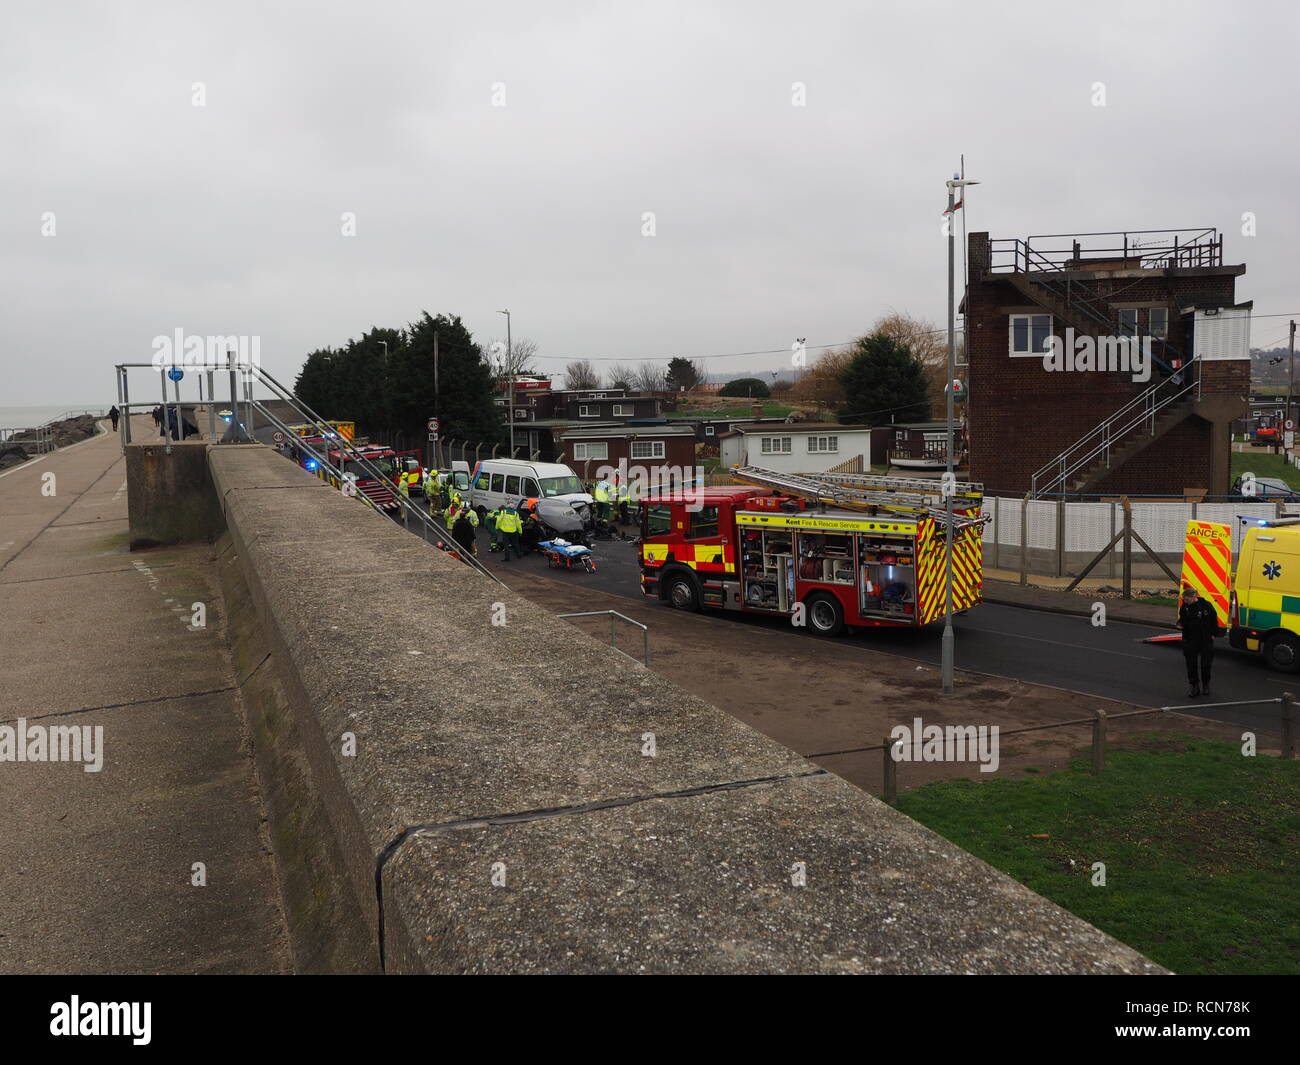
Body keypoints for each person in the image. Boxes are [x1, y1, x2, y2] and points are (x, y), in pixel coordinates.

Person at [1176, 586, 1221, 698]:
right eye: (1183, 600)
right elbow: (1182, 620)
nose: (1185, 602)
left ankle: (1206, 685)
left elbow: (1213, 620)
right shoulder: (1185, 608)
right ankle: (1194, 686)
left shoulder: (1206, 606)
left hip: (1205, 639)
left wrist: (1213, 634)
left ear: (1193, 597)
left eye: (1186, 600)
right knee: (1191, 665)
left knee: (1206, 665)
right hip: (1190, 639)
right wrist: (1180, 625)